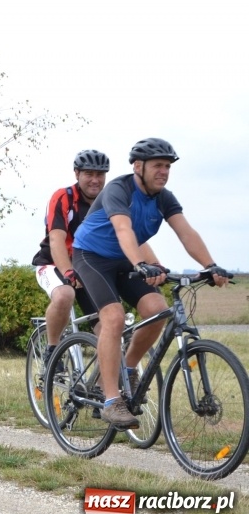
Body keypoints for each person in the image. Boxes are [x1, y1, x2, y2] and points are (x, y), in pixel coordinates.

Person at [72, 138, 229, 428]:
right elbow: (123, 228)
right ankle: (110, 401)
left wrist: (209, 265)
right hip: (91, 256)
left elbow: (186, 232)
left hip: (126, 259)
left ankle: (127, 369)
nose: (164, 171)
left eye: (168, 166)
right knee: (114, 317)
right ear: (138, 166)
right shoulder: (119, 189)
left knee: (158, 310)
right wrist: (140, 264)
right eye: (158, 165)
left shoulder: (164, 198)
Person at [31, 150, 108, 367]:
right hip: (52, 263)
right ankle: (53, 351)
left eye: (100, 174)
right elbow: (56, 239)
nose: (95, 180)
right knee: (65, 295)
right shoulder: (63, 197)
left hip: (87, 268)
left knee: (109, 332)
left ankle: (102, 393)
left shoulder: (108, 202)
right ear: (77, 174)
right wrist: (67, 272)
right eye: (89, 174)